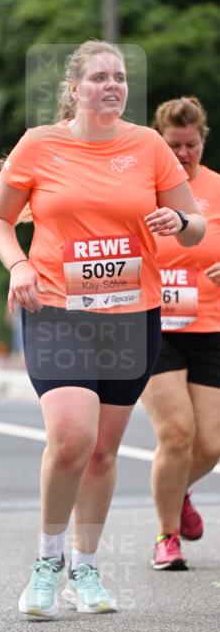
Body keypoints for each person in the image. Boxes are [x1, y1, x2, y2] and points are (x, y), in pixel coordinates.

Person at [0, 39, 205, 620]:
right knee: (73, 437)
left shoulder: (149, 145)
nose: (112, 85)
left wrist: (178, 219)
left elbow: (195, 227)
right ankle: (46, 561)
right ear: (75, 89)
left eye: (120, 77)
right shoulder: (40, 145)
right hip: (58, 308)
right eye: (99, 78)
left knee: (104, 450)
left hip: (133, 314)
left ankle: (86, 566)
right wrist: (19, 263)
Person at [140, 96, 220, 570]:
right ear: (160, 142)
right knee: (176, 433)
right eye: (173, 145)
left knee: (210, 444)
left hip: (209, 326)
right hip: (155, 322)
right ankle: (166, 534)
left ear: (202, 141)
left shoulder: (216, 188)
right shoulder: (142, 189)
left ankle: (178, 488)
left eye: (191, 145)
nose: (183, 153)